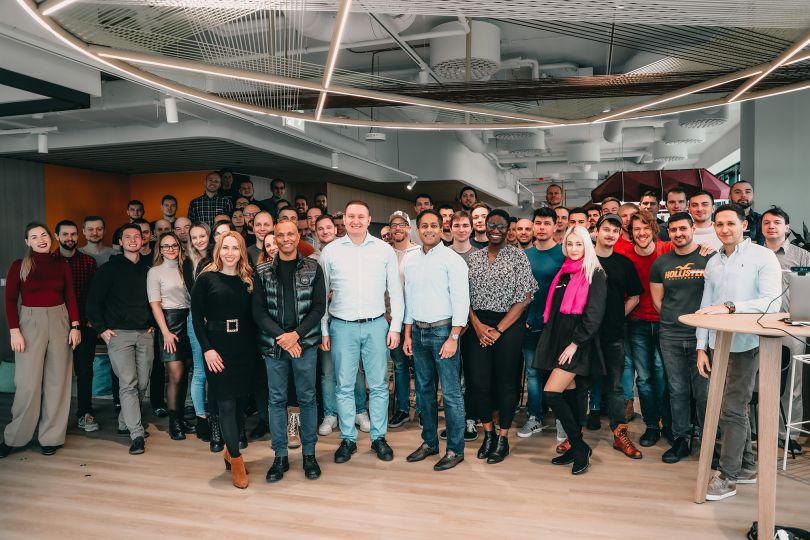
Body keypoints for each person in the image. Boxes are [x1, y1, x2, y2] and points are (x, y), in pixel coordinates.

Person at [696, 203, 782, 501]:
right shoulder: (713, 262)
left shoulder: (763, 256)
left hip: (749, 344)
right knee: (729, 407)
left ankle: (728, 475)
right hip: (719, 345)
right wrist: (700, 347)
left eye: (730, 223)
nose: (724, 229)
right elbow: (706, 307)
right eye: (719, 224)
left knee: (732, 407)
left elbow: (773, 302)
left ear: (744, 225)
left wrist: (732, 307)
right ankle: (745, 467)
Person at [319, 200, 404, 464]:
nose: (355, 221)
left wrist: (396, 326)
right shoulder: (330, 252)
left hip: (376, 324)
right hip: (341, 326)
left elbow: (396, 292)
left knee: (378, 385)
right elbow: (321, 296)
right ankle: (348, 439)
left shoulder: (383, 250)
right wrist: (324, 329)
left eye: (361, 217)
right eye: (351, 216)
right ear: (344, 220)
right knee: (343, 386)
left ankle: (379, 437)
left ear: (369, 220)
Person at [253, 220, 327, 483]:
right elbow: (258, 312)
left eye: (290, 234)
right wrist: (283, 338)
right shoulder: (262, 271)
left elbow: (319, 308)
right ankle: (280, 456)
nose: (285, 239)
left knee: (307, 398)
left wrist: (296, 335)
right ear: (274, 238)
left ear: (298, 237)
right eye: (280, 235)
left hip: (304, 345)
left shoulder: (313, 267)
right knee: (276, 401)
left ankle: (309, 454)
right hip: (274, 346)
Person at [0, 223, 81, 459]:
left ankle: (51, 437)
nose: (41, 239)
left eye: (44, 235)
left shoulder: (62, 264)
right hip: (29, 322)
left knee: (57, 381)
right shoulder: (20, 266)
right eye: (34, 237)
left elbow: (70, 296)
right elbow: (9, 300)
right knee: (27, 383)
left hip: (60, 319)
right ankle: (15, 437)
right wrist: (14, 331)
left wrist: (75, 326)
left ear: (51, 237)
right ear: (28, 242)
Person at [465, 209, 538, 464]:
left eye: (501, 226)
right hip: (477, 325)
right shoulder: (474, 258)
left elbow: (524, 298)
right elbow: (464, 297)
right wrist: (476, 325)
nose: (495, 230)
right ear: (484, 226)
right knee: (478, 382)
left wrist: (498, 330)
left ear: (509, 229)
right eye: (491, 225)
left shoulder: (518, 257)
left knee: (506, 382)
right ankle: (488, 433)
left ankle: (503, 437)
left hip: (508, 325)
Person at [402, 209, 470, 471]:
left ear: (443, 228)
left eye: (434, 225)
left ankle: (455, 449)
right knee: (423, 391)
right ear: (416, 230)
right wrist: (408, 333)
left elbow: (461, 302)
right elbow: (409, 300)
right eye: (424, 226)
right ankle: (429, 442)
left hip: (444, 333)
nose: (429, 229)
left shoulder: (452, 260)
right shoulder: (411, 260)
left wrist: (454, 337)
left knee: (451, 394)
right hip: (418, 333)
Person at [535, 225, 606, 475]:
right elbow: (554, 312)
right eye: (570, 244)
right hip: (558, 341)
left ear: (586, 245)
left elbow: (594, 316)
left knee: (552, 393)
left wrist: (575, 344)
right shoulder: (563, 273)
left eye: (579, 244)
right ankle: (576, 447)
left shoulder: (595, 273)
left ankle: (579, 447)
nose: (574, 249)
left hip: (578, 344)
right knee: (568, 396)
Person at [191, 232, 255, 488]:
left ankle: (229, 449)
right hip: (217, 349)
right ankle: (237, 460)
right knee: (226, 405)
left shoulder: (248, 280)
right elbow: (196, 318)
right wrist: (207, 349)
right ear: (219, 250)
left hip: (244, 348)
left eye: (235, 248)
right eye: (225, 247)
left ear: (241, 252)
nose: (230, 252)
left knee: (240, 405)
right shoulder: (206, 279)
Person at [86, 223, 154, 455]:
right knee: (128, 382)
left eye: (137, 236)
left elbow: (157, 300)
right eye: (128, 237)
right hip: (118, 335)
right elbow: (93, 302)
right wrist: (101, 329)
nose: (134, 240)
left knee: (143, 381)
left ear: (143, 240)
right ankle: (136, 434)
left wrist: (153, 325)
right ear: (121, 242)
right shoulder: (108, 269)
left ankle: (125, 421)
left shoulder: (148, 268)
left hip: (145, 332)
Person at [649, 212, 711, 463]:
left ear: (693, 228)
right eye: (673, 230)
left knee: (704, 391)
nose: (678, 234)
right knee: (677, 389)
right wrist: (673, 319)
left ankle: (709, 441)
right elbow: (657, 301)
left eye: (682, 229)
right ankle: (681, 439)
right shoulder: (661, 263)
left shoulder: (710, 258)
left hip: (703, 336)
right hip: (671, 334)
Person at [312, 215, 370, 437]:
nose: (325, 231)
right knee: (328, 372)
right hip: (324, 319)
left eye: (329, 227)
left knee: (354, 369)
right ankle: (331, 414)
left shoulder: (346, 252)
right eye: (320, 228)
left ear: (335, 229)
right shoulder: (311, 258)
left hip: (347, 320)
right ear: (315, 231)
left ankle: (359, 411)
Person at [592, 214, 644, 459]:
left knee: (615, 386)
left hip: (613, 334)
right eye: (606, 229)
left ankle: (619, 433)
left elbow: (635, 295)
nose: (611, 234)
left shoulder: (623, 263)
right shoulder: (583, 259)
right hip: (584, 335)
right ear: (597, 231)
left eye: (615, 230)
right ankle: (574, 437)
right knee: (580, 386)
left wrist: (616, 315)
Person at [623, 210, 674, 447]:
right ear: (631, 233)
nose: (641, 233)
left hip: (665, 322)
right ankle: (651, 425)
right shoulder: (625, 254)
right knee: (643, 379)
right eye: (636, 229)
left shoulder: (667, 249)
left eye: (645, 227)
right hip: (638, 323)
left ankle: (668, 423)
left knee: (662, 374)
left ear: (653, 229)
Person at [761, 207, 809, 453]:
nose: (771, 226)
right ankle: (760, 432)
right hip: (756, 326)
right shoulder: (755, 254)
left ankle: (787, 434)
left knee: (792, 384)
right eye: (766, 222)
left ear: (787, 227)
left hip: (793, 327)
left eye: (777, 222)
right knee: (758, 382)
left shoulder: (802, 256)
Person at [517, 208, 564, 439]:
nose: (542, 227)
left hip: (556, 325)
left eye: (547, 223)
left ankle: (562, 419)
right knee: (534, 373)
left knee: (558, 372)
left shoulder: (564, 254)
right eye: (538, 223)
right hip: (530, 324)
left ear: (555, 226)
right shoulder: (525, 255)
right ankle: (535, 417)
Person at [148, 232, 195, 441]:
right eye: (166, 246)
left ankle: (182, 417)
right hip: (169, 322)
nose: (170, 249)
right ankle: (173, 421)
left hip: (188, 320)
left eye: (174, 245)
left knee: (185, 372)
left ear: (180, 246)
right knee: (175, 375)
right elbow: (155, 304)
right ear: (160, 248)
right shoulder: (155, 272)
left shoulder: (186, 267)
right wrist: (166, 332)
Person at [55, 220, 99, 433]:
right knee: (57, 373)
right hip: (55, 326)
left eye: (73, 234)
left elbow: (94, 294)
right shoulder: (48, 262)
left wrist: (91, 320)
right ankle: (55, 417)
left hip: (84, 325)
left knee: (85, 371)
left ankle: (84, 412)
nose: (70, 238)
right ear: (57, 237)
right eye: (65, 234)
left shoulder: (89, 262)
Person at [387, 211, 421, 429]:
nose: (398, 228)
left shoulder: (419, 252)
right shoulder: (385, 253)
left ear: (409, 228)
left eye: (402, 224)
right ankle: (401, 409)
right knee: (399, 365)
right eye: (394, 225)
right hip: (391, 319)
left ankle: (421, 408)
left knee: (420, 366)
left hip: (417, 319)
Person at [184, 223, 213, 442]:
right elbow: (194, 295)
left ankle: (216, 418)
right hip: (196, 318)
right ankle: (202, 419)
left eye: (202, 235)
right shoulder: (187, 262)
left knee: (216, 373)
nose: (199, 240)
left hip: (217, 319)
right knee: (200, 371)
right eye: (194, 237)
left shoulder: (217, 255)